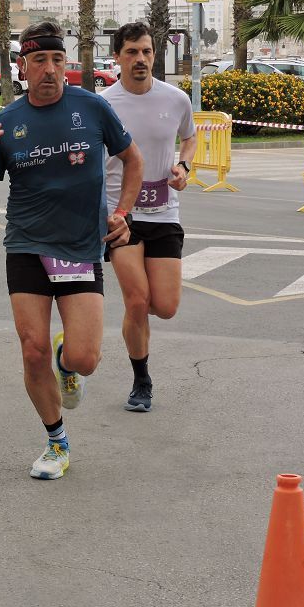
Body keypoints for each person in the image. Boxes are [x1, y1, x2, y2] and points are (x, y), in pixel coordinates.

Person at [0, 20, 143, 480]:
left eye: (57, 60)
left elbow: (133, 159)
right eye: (39, 60)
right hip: (25, 244)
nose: (50, 69)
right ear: (23, 67)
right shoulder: (6, 122)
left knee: (85, 359)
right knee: (31, 351)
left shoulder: (92, 107)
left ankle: (68, 363)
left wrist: (123, 213)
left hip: (81, 247)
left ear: (68, 64)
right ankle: (56, 441)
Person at [102, 22, 196, 413]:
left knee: (167, 306)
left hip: (163, 212)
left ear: (154, 55)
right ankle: (141, 379)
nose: (140, 60)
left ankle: (135, 319)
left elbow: (189, 137)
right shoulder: (102, 103)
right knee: (137, 301)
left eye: (146, 52)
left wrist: (184, 168)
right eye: (131, 52)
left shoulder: (176, 99)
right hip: (119, 214)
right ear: (118, 57)